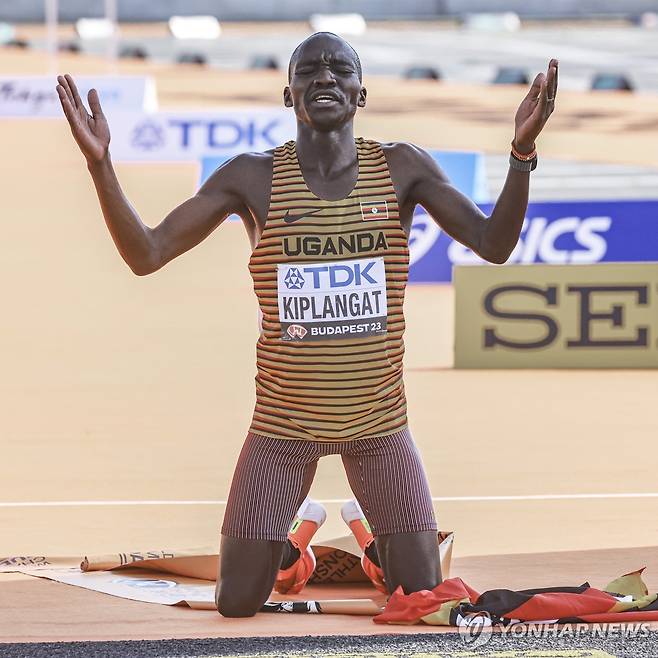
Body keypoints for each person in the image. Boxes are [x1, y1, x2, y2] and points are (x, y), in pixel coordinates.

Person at [56, 31, 558, 618]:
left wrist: (521, 153)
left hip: (379, 425)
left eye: (340, 70)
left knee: (419, 597)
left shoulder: (402, 169)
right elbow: (146, 253)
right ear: (288, 92)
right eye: (310, 70)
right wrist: (100, 164)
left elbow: (494, 244)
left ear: (361, 93)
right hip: (281, 428)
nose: (325, 78)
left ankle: (369, 548)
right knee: (237, 602)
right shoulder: (252, 178)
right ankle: (300, 550)